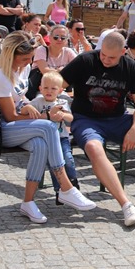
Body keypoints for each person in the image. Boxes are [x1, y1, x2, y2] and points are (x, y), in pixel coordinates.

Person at [0, 31, 97, 223]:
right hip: (0, 128)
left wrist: (28, 104)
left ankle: (28, 202)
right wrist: (47, 115)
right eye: (25, 58)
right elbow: (10, 116)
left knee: (41, 145)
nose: (29, 62)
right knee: (49, 127)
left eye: (31, 58)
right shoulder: (0, 76)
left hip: (21, 124)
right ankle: (66, 187)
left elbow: (20, 97)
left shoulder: (23, 68)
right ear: (11, 55)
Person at [60, 31, 135, 226]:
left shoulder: (130, 66)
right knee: (93, 148)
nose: (105, 60)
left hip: (118, 118)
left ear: (123, 52)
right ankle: (125, 204)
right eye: (103, 55)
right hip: (86, 119)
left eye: (111, 57)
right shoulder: (85, 60)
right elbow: (57, 83)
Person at [29, 71, 80, 205]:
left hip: (61, 137)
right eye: (46, 88)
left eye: (53, 88)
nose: (49, 91)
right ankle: (59, 191)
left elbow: (71, 118)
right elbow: (26, 112)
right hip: (46, 139)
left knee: (68, 159)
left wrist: (63, 115)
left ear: (60, 90)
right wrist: (28, 107)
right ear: (40, 88)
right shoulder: (37, 102)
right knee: (54, 165)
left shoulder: (61, 102)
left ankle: (73, 181)